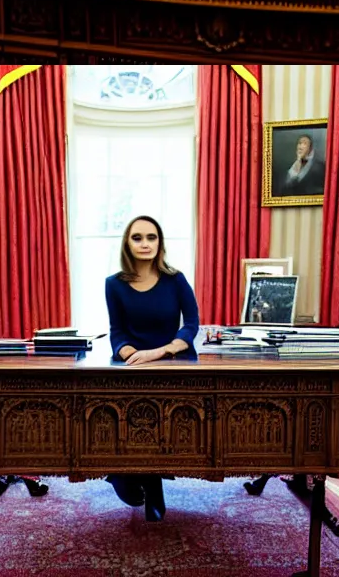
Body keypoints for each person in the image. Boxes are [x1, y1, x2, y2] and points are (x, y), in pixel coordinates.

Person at [104, 215, 200, 521]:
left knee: (164, 421)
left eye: (151, 237)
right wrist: (134, 353)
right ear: (127, 243)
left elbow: (192, 325)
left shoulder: (176, 280)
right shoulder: (114, 285)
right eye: (137, 238)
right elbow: (117, 332)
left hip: (173, 362)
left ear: (159, 242)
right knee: (127, 418)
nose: (145, 244)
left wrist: (161, 351)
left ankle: (152, 482)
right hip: (133, 364)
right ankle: (128, 475)